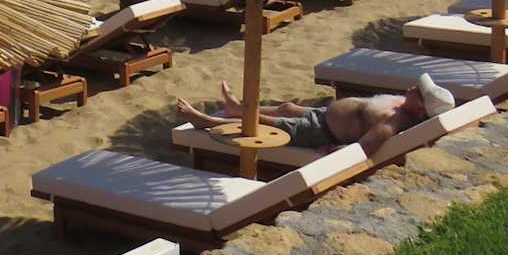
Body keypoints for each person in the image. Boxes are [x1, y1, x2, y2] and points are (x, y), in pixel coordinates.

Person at [174, 76, 453, 154]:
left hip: (321, 131)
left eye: (418, 91)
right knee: (286, 107)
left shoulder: (395, 121)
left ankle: (207, 122)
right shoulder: (404, 104)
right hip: (323, 115)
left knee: (269, 122)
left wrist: (335, 149)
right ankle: (237, 109)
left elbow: (368, 144)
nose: (413, 87)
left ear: (420, 109)